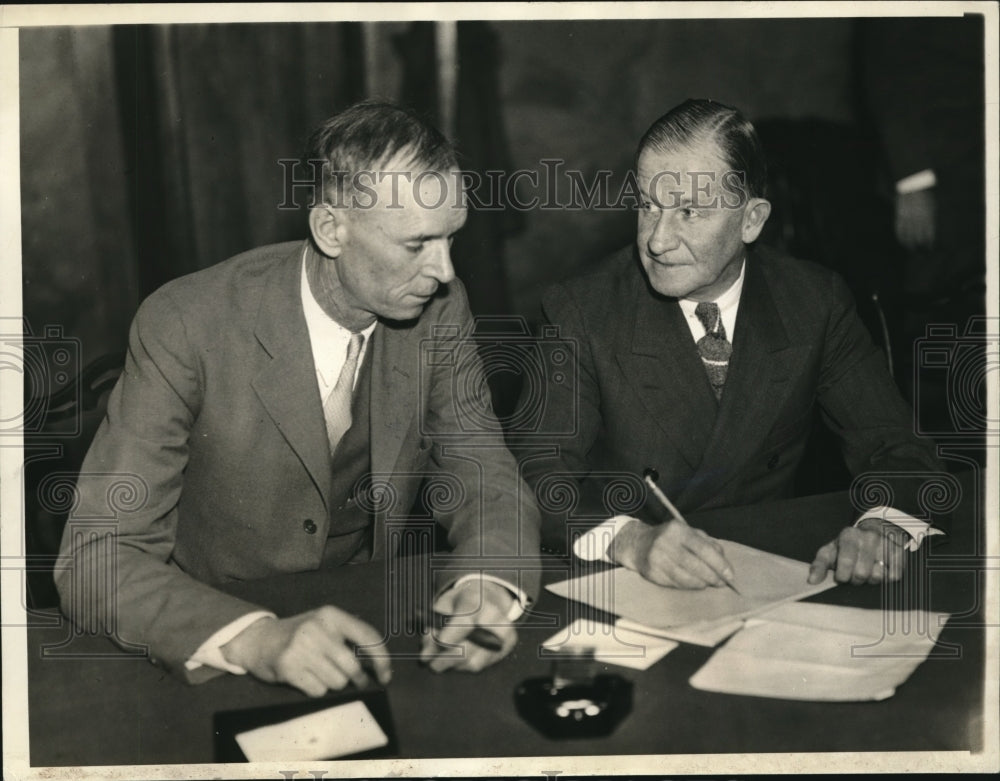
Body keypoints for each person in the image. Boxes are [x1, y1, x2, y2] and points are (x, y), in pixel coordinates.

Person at [55, 101, 541, 695]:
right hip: (215, 628)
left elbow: (482, 470)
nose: (443, 271)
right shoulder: (186, 321)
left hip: (365, 619)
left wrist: (487, 584)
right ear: (331, 229)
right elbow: (95, 559)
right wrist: (256, 637)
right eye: (416, 245)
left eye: (451, 238)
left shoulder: (440, 309)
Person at [513, 99, 944, 591]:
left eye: (689, 211)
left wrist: (880, 525)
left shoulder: (813, 302)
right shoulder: (582, 310)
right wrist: (630, 540)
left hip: (772, 575)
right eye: (648, 206)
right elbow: (535, 477)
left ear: (751, 221)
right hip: (629, 581)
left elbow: (898, 446)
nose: (657, 240)